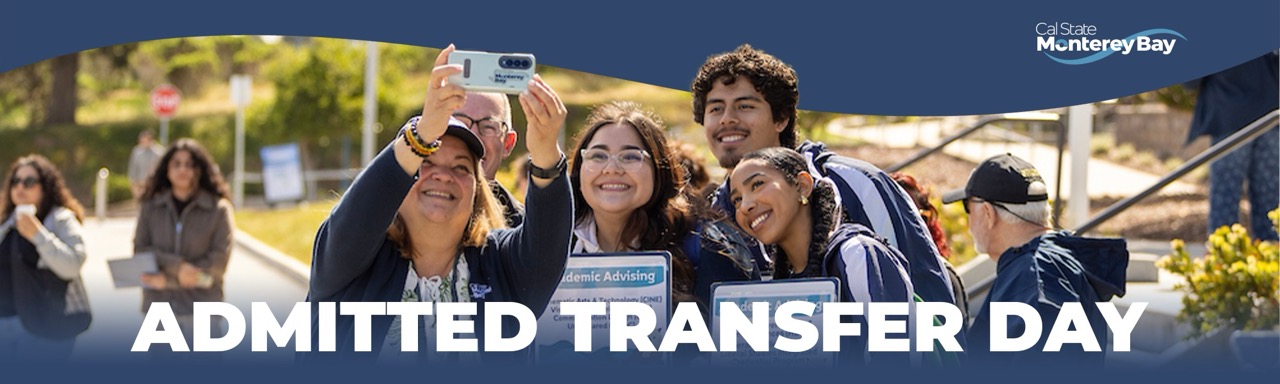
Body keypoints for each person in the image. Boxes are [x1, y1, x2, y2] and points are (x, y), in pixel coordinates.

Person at [302, 44, 571, 363]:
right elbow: (357, 216)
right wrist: (422, 134)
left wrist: (545, 153)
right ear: (398, 183)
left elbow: (548, 243)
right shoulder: (351, 264)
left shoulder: (501, 266)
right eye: (427, 163)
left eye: (460, 167)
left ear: (477, 191)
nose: (443, 176)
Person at [691, 44, 959, 310]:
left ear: (781, 118)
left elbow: (928, 293)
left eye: (744, 106)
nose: (727, 119)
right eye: (715, 109)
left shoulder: (858, 185)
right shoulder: (715, 214)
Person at [727, 147, 914, 364]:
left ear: (802, 186)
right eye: (737, 200)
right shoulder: (774, 286)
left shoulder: (856, 255)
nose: (746, 206)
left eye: (757, 184)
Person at [567, 101, 758, 313]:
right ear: (579, 170)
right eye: (598, 156)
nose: (611, 168)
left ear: (659, 171)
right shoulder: (548, 246)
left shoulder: (711, 247)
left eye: (630, 156)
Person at [941, 154, 1128, 366]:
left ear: (987, 213)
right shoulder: (1055, 264)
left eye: (968, 208)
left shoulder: (1036, 279)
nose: (969, 222)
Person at [134, 138, 234, 354]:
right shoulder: (150, 207)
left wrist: (169, 280)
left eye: (189, 164)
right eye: (176, 164)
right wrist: (178, 268)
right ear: (166, 170)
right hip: (158, 315)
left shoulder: (218, 210)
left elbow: (215, 270)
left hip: (203, 315)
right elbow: (141, 251)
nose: (183, 170)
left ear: (200, 170)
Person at [0, 155, 92, 361]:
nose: (20, 186)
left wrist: (38, 235)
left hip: (48, 326)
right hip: (7, 325)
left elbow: (72, 264)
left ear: (46, 187)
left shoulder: (60, 219)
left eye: (29, 181)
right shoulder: (7, 222)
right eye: (15, 181)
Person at [1184, 51, 1279, 241]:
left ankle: (1222, 258)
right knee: (1269, 199)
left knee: (1225, 196)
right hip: (1269, 117)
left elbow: (1190, 82)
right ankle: (1272, 260)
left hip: (1230, 118)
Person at [891, 171, 969, 323]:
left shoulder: (945, 276)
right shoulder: (867, 272)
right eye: (900, 219)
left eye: (920, 218)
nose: (911, 229)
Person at [455, 91, 526, 227]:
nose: (474, 137)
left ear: (508, 144)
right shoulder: (406, 210)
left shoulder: (523, 231)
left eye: (488, 127)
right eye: (461, 124)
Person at [128, 130, 165, 199]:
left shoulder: (159, 152)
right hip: (141, 185)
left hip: (155, 185)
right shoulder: (137, 152)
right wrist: (134, 186)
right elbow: (133, 169)